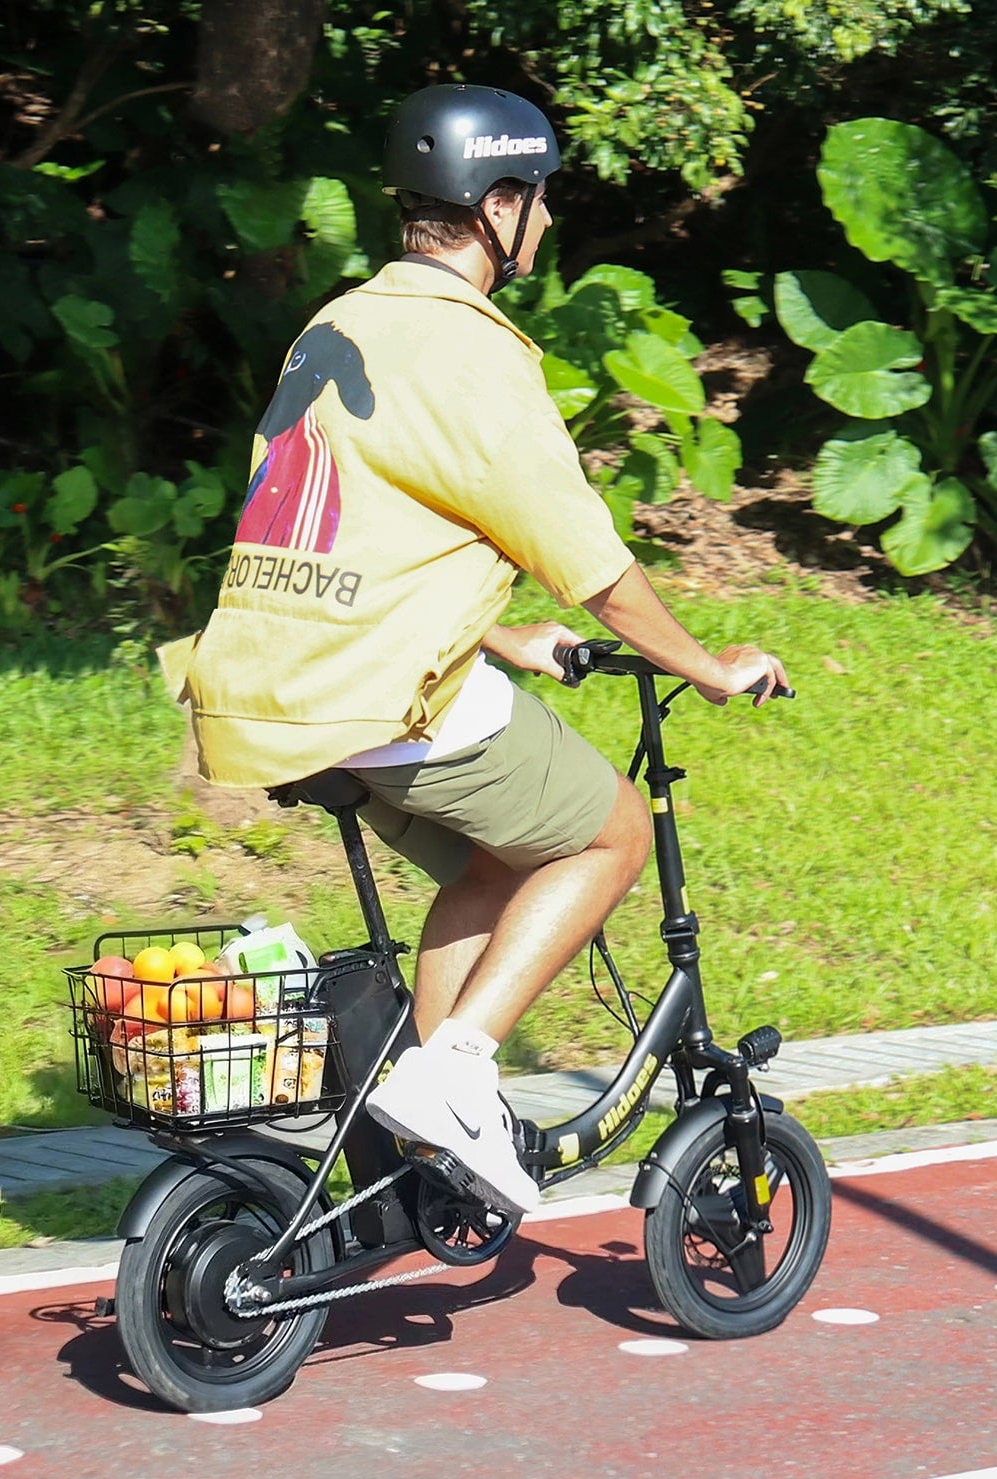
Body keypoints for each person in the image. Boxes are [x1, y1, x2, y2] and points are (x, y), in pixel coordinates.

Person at [162, 83, 788, 1218]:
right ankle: (454, 1081)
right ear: (495, 203)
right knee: (609, 832)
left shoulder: (340, 324)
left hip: (263, 685)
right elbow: (591, 563)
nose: (545, 224)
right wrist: (709, 665)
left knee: (498, 862)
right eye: (538, 201)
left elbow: (345, 515)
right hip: (371, 696)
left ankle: (424, 1124)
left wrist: (495, 632)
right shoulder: (475, 351)